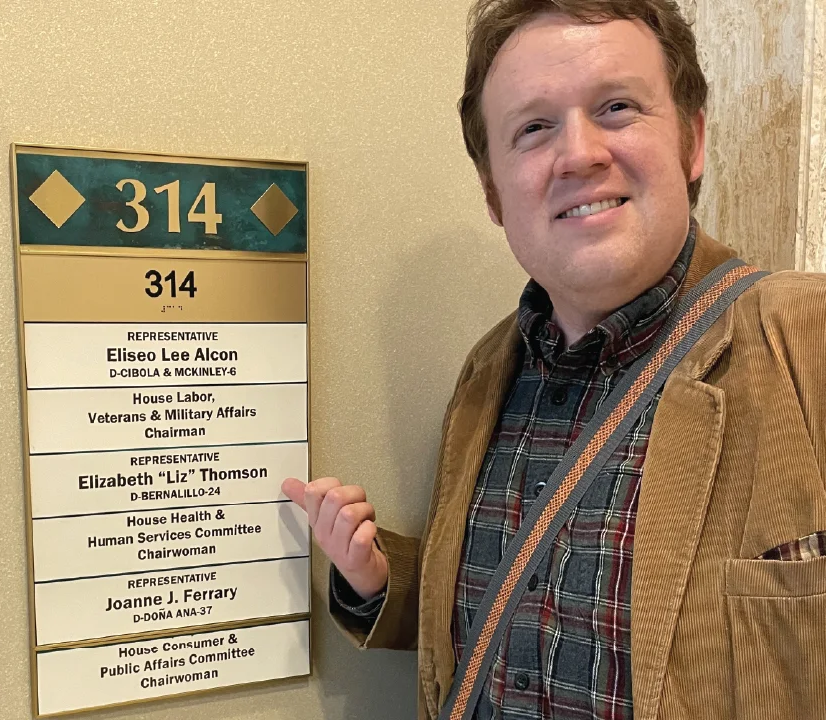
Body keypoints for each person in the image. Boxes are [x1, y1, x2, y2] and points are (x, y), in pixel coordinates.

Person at [281, 1, 826, 719]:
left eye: (617, 107)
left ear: (691, 141)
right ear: (493, 193)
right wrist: (380, 580)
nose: (580, 153)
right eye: (534, 128)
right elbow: (514, 606)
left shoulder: (806, 337)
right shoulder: (486, 375)